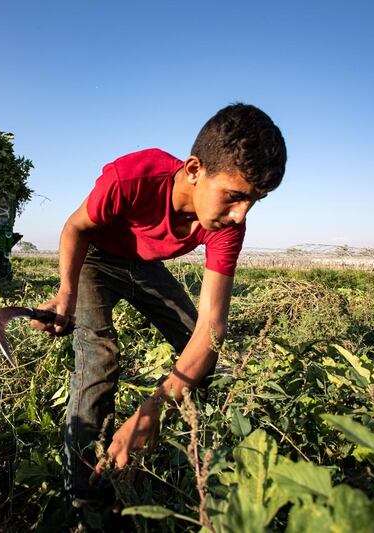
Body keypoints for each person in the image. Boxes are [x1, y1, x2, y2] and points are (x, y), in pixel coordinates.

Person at [29, 103, 286, 527]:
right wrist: (66, 294)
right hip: (96, 257)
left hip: (145, 267)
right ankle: (84, 495)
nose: (241, 214)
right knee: (98, 358)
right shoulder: (131, 179)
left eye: (254, 201)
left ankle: (214, 460)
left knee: (211, 359)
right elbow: (75, 228)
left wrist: (155, 408)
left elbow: (211, 328)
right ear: (193, 170)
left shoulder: (228, 226)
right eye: (235, 196)